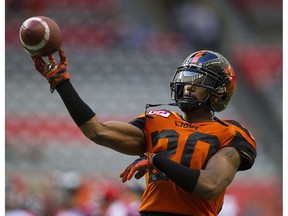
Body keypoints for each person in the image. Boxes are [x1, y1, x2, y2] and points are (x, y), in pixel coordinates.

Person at [31, 49, 257, 216]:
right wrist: (62, 83)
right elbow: (96, 131)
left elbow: (209, 186)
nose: (187, 86)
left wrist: (156, 160)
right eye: (185, 78)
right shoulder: (157, 121)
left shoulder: (230, 132)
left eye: (197, 81)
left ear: (218, 91)